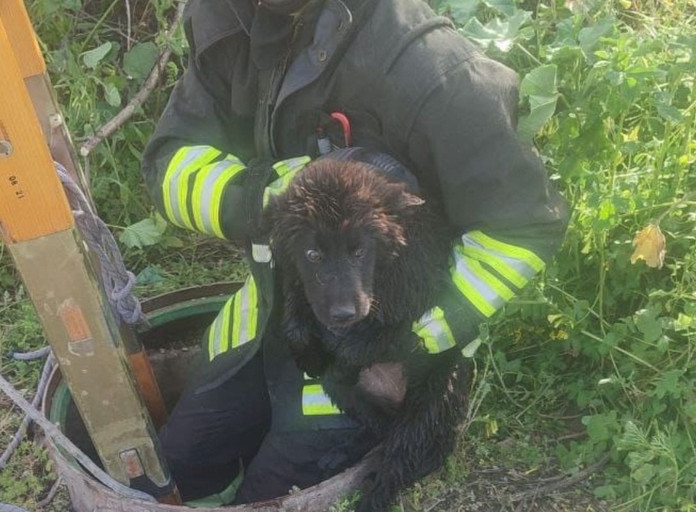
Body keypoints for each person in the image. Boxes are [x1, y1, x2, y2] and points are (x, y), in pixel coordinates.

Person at [141, 0, 569, 504]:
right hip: (264, 316)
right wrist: (262, 199)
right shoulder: (228, 20)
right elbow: (170, 161)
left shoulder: (437, 74)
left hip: (368, 361)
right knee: (173, 465)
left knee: (267, 497)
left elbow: (522, 228)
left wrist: (412, 343)